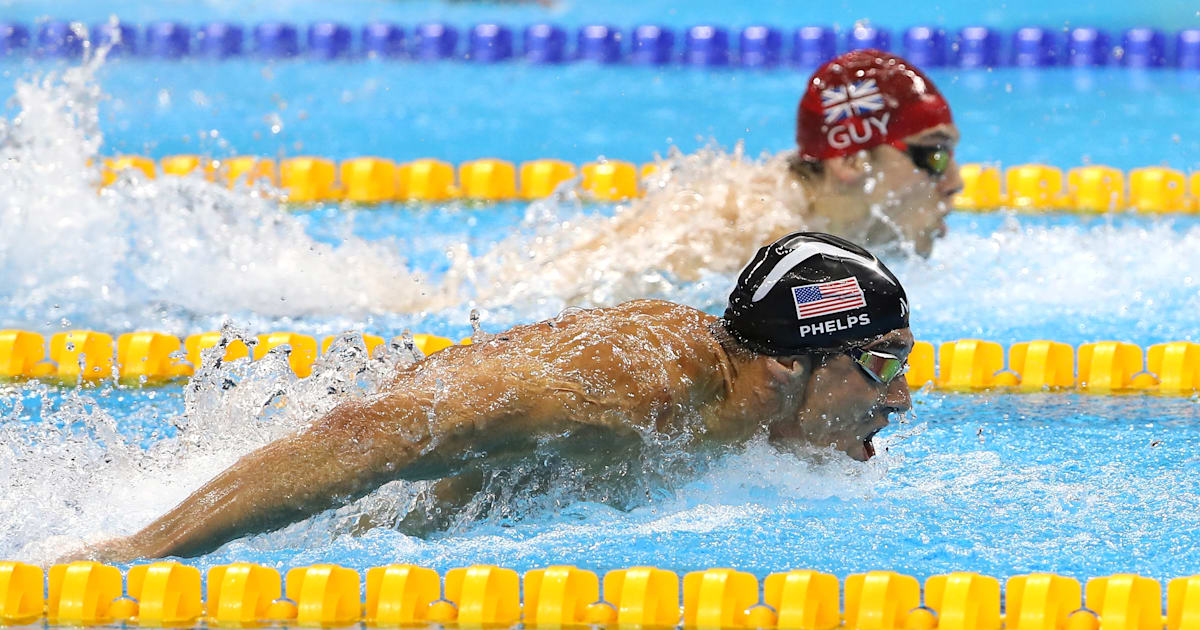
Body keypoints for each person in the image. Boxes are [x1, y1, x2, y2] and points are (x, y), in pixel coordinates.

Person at [71, 232, 914, 562]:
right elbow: (388, 430)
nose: (903, 398)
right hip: (325, 534)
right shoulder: (642, 390)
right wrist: (147, 549)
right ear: (790, 367)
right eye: (879, 363)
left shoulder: (743, 407)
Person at [456, 49, 962, 308]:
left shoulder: (808, 220)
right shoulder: (765, 237)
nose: (956, 182)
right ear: (851, 162)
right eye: (934, 156)